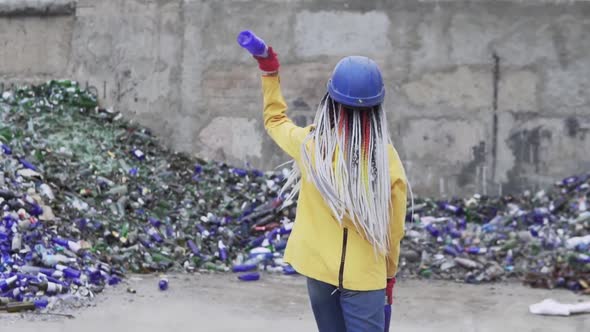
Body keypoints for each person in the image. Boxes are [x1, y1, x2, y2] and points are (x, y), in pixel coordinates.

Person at [252, 46, 408, 332]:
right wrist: (389, 275)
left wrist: (269, 72)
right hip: (365, 279)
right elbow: (394, 230)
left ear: (331, 100)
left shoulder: (311, 147)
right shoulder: (387, 161)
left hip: (319, 274)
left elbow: (275, 121)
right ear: (377, 107)